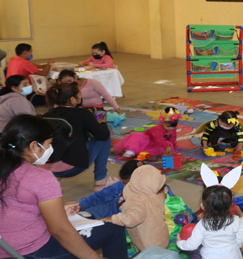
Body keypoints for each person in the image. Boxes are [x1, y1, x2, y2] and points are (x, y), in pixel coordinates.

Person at [0, 114, 127, 259]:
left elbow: (14, 207)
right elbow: (60, 231)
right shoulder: (40, 178)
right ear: (34, 146)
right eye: (49, 143)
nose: (51, 148)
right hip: (33, 252)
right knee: (113, 230)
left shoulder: (6, 168)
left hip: (6, 249)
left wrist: (57, 209)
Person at [42, 83, 116, 190]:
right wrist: (102, 122)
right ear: (72, 99)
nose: (81, 98)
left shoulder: (46, 115)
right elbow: (103, 135)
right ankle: (101, 179)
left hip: (45, 167)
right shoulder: (82, 113)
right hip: (71, 168)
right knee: (104, 138)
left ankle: (55, 178)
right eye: (79, 95)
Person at [101, 164, 170, 252]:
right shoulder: (158, 195)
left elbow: (131, 220)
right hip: (161, 238)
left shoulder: (138, 200)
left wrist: (113, 218)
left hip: (147, 244)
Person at [176, 182, 243, 258]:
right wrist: (232, 246)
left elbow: (192, 245)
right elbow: (242, 240)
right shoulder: (235, 220)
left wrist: (180, 243)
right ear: (231, 206)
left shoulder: (202, 224)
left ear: (202, 206)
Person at [73, 160, 144, 219]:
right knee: (82, 215)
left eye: (128, 183)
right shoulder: (121, 185)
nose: (126, 186)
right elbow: (101, 195)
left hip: (126, 217)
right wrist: (81, 204)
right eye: (124, 183)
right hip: (113, 206)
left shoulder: (150, 193)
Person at [114, 107, 180, 158]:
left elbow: (173, 137)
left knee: (163, 148)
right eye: (168, 126)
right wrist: (166, 145)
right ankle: (130, 151)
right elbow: (159, 139)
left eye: (173, 127)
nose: (171, 129)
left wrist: (171, 145)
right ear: (162, 122)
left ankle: (143, 154)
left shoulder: (172, 129)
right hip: (146, 140)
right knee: (136, 136)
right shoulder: (157, 129)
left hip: (157, 144)